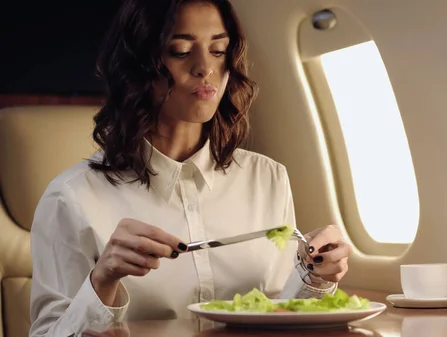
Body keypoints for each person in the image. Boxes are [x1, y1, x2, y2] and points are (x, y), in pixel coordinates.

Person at [28, 1, 353, 336]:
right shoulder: (70, 198)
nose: (204, 68)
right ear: (139, 66)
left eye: (218, 50)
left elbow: (279, 314)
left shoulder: (268, 179)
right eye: (181, 51)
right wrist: (102, 280)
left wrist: (316, 276)